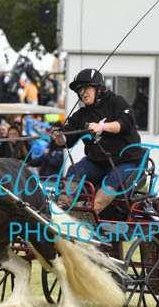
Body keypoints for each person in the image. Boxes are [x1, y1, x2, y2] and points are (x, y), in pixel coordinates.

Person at [54, 68, 144, 214]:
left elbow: (125, 123)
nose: (83, 93)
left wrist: (101, 127)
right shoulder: (80, 115)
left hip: (125, 161)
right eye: (79, 90)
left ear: (99, 89)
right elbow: (66, 141)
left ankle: (90, 214)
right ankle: (61, 210)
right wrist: (59, 136)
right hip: (97, 163)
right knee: (75, 171)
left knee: (113, 179)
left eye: (86, 88)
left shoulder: (116, 102)